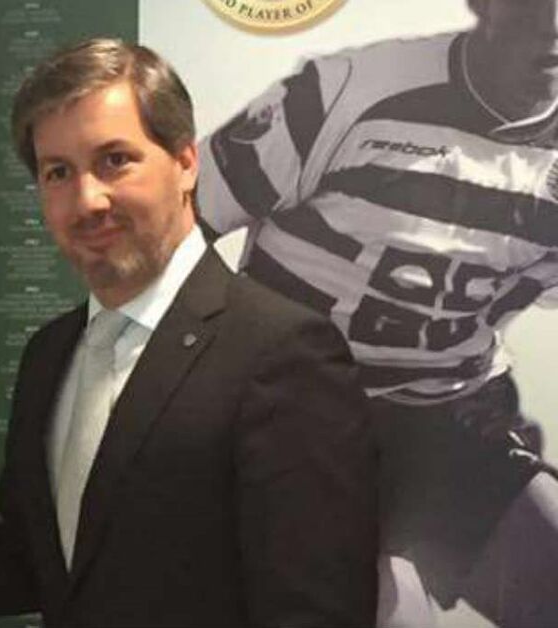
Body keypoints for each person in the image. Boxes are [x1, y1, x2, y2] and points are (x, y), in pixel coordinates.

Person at [0, 39, 378, 627]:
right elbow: (36, 561)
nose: (87, 200)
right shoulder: (51, 355)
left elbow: (315, 613)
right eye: (58, 172)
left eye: (115, 160)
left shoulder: (284, 355)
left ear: (186, 162)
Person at [196, 0, 558, 625]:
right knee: (395, 615)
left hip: (450, 418)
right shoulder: (344, 93)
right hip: (304, 413)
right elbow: (173, 232)